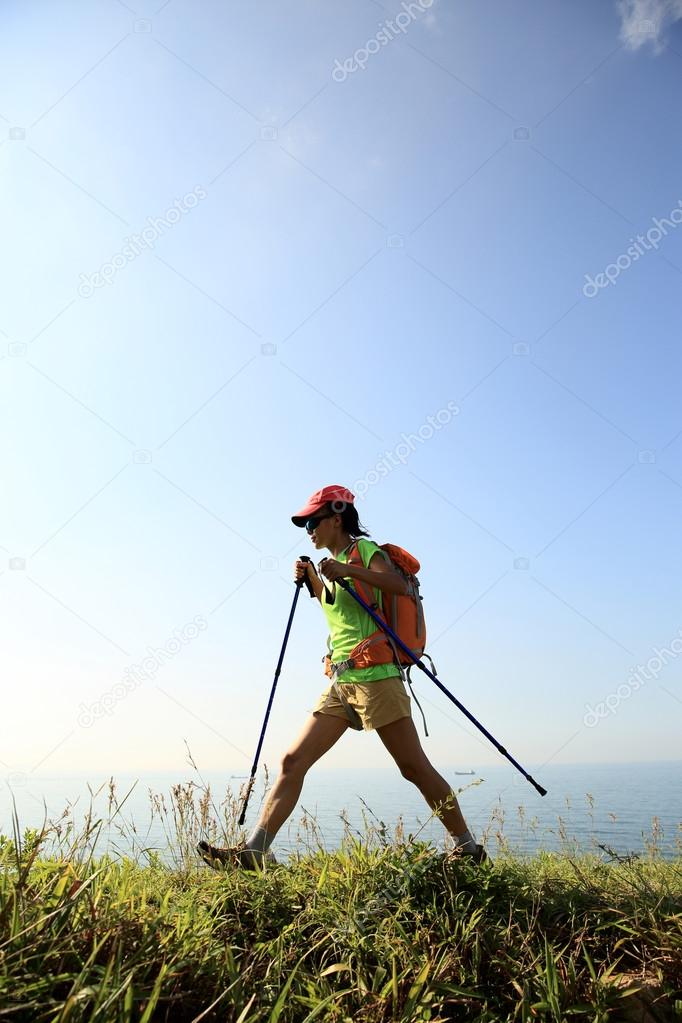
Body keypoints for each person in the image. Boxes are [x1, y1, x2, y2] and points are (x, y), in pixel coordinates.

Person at [199, 484, 486, 870]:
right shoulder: (333, 566)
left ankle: (467, 848)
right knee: (291, 761)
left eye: (313, 522)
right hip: (342, 679)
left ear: (336, 518)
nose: (309, 530)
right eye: (305, 526)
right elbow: (340, 608)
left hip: (377, 677)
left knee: (413, 767)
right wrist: (315, 582)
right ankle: (253, 852)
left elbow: (398, 585)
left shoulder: (366, 552)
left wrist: (346, 568)